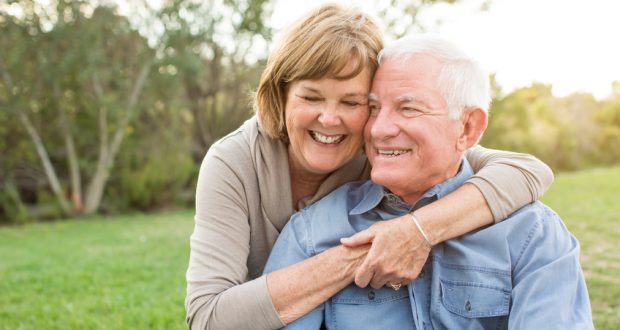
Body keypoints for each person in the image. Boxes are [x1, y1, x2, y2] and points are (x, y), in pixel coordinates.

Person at [185, 4, 554, 330]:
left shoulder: (382, 149)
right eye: (311, 97)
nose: (329, 119)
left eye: (353, 102)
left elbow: (527, 172)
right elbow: (208, 317)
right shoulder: (233, 162)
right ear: (280, 95)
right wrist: (369, 252)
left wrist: (417, 231)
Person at [264, 34, 593, 329]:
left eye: (408, 108)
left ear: (467, 128)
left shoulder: (532, 235)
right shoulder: (311, 233)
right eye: (374, 108)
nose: (379, 130)